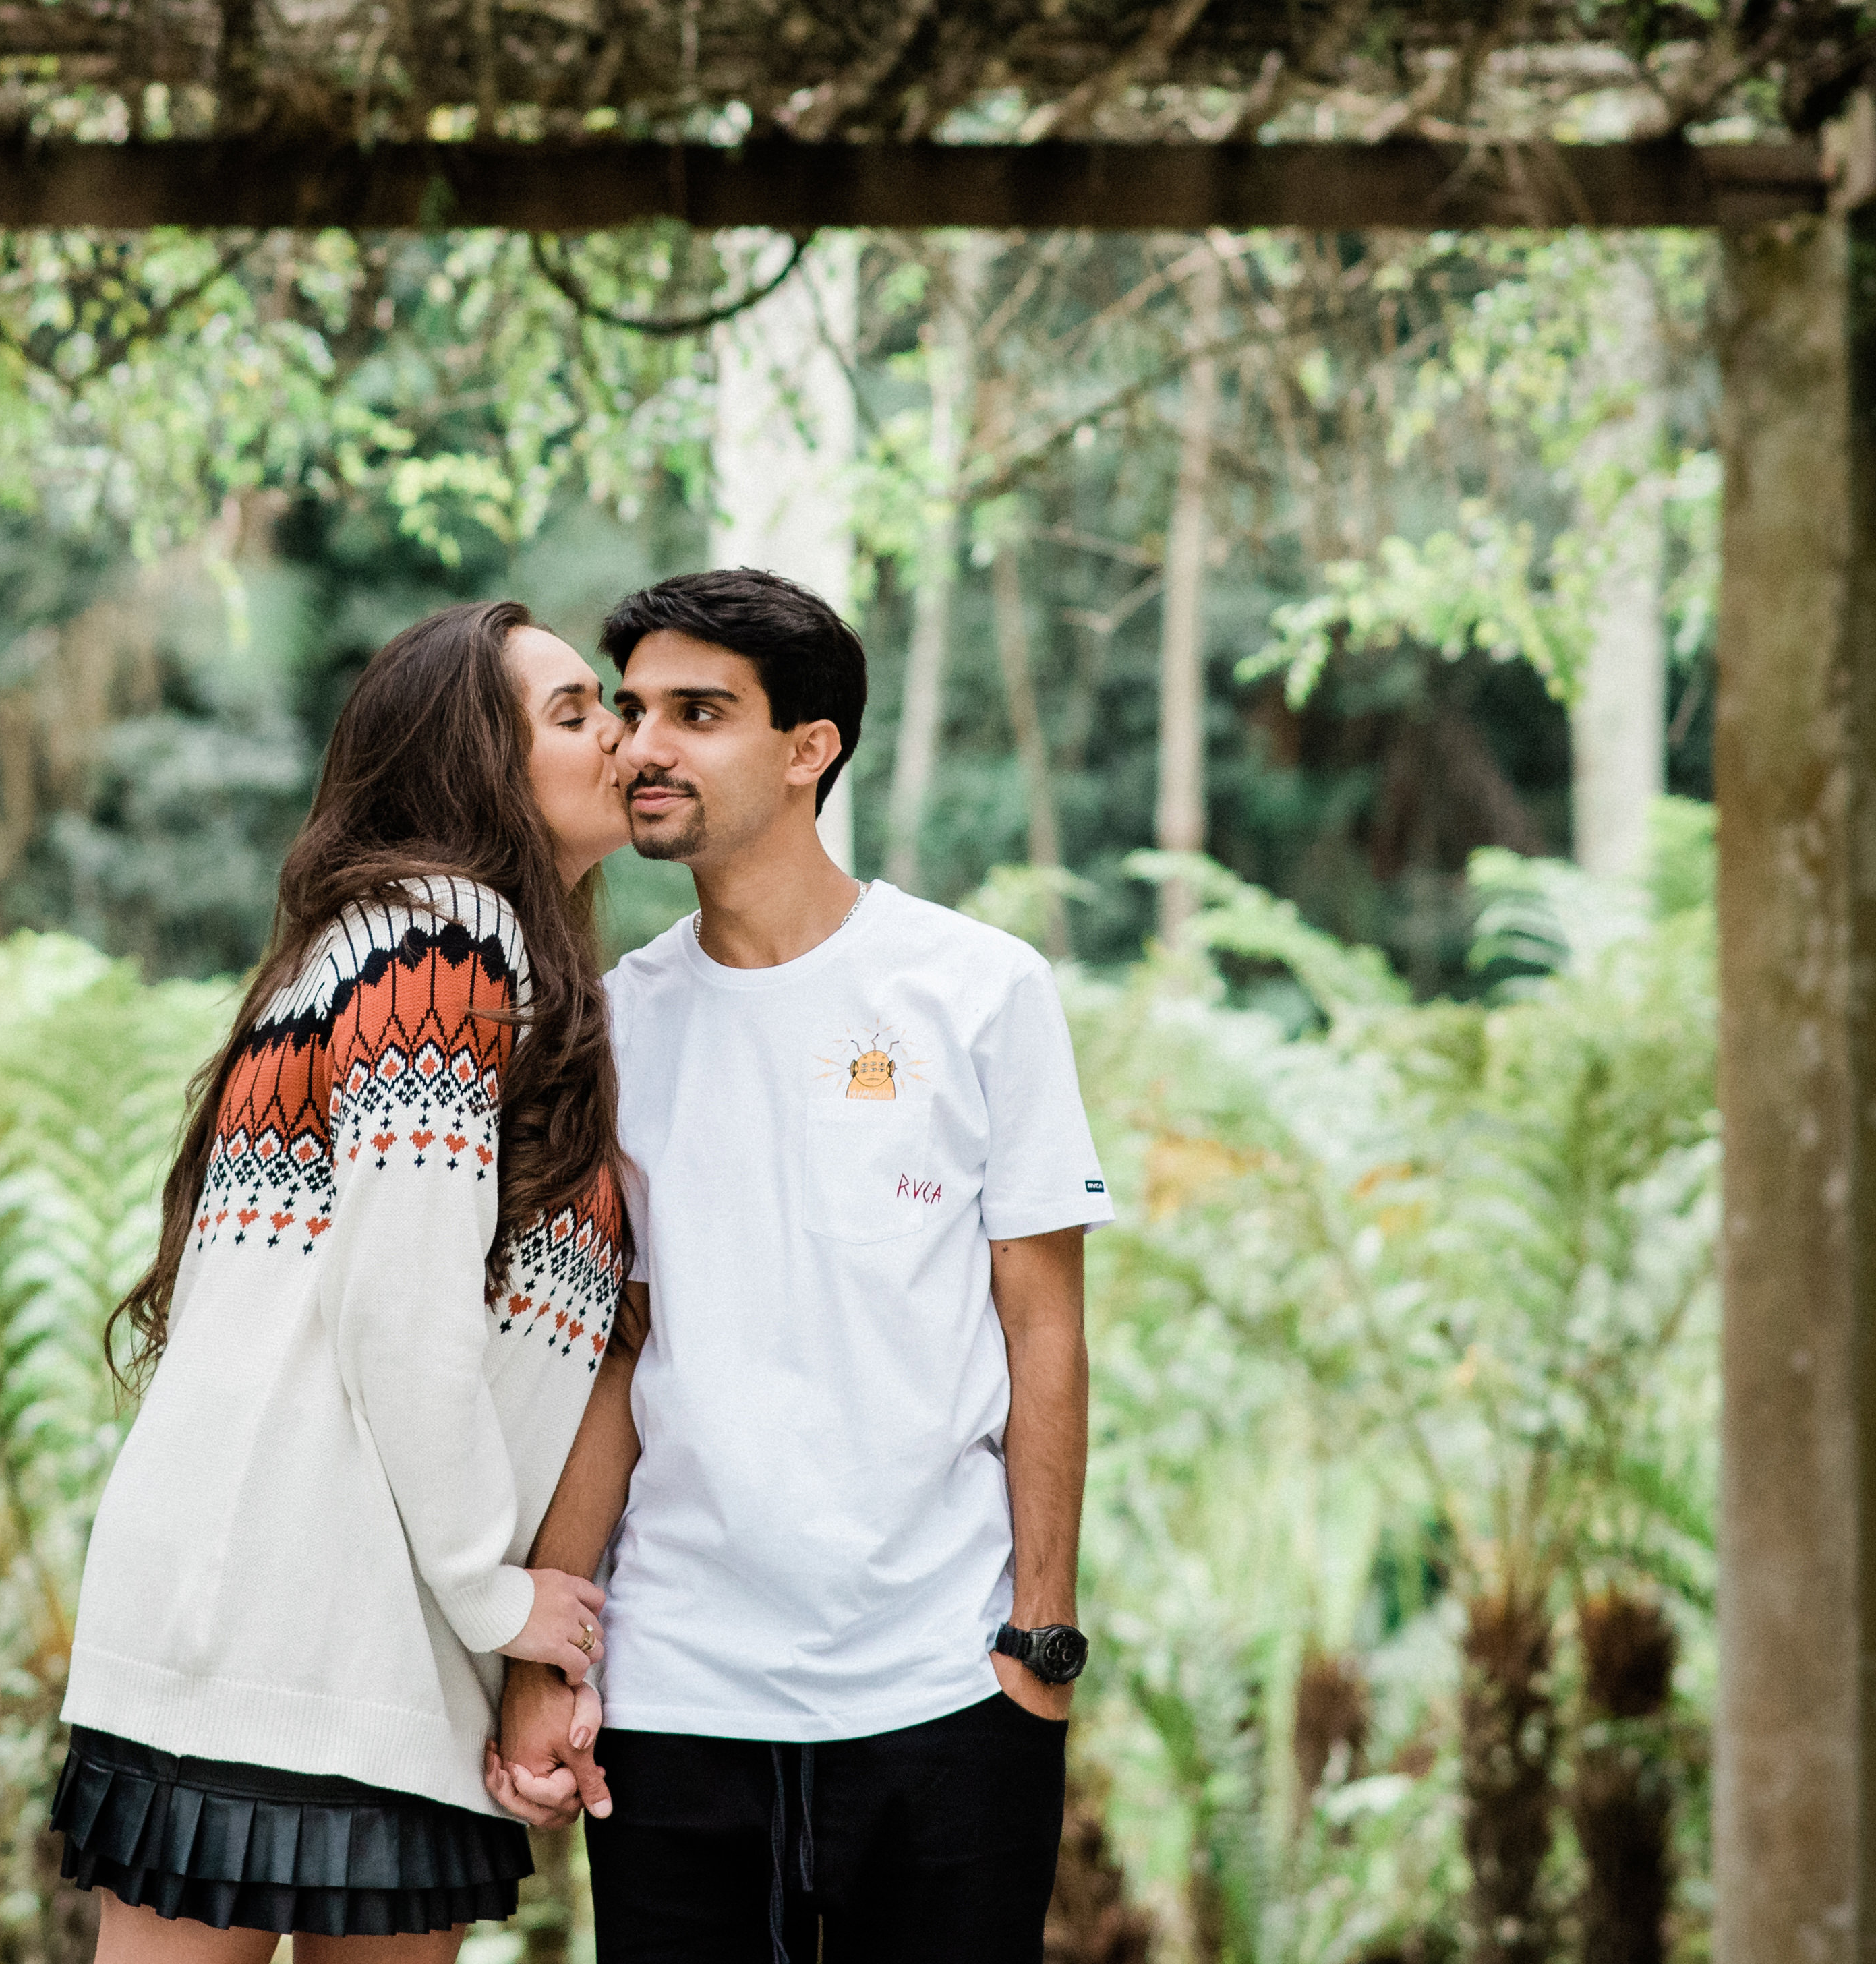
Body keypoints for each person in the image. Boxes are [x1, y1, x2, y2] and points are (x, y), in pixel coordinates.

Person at [486, 567, 1113, 1963]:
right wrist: (548, 1658)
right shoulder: (608, 1024)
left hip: (948, 1690)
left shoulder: (978, 988)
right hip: (678, 1697)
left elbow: (1045, 1329)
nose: (645, 746)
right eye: (633, 708)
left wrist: (1041, 1639)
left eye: (698, 712)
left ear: (808, 746)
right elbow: (617, 1349)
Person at [57, 597, 645, 1960]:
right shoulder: (438, 947)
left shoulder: (507, 979)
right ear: (475, 768)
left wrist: (513, 1641)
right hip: (270, 1618)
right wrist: (500, 1598)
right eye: (571, 713)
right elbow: (403, 1309)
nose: (615, 733)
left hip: (378, 1640)